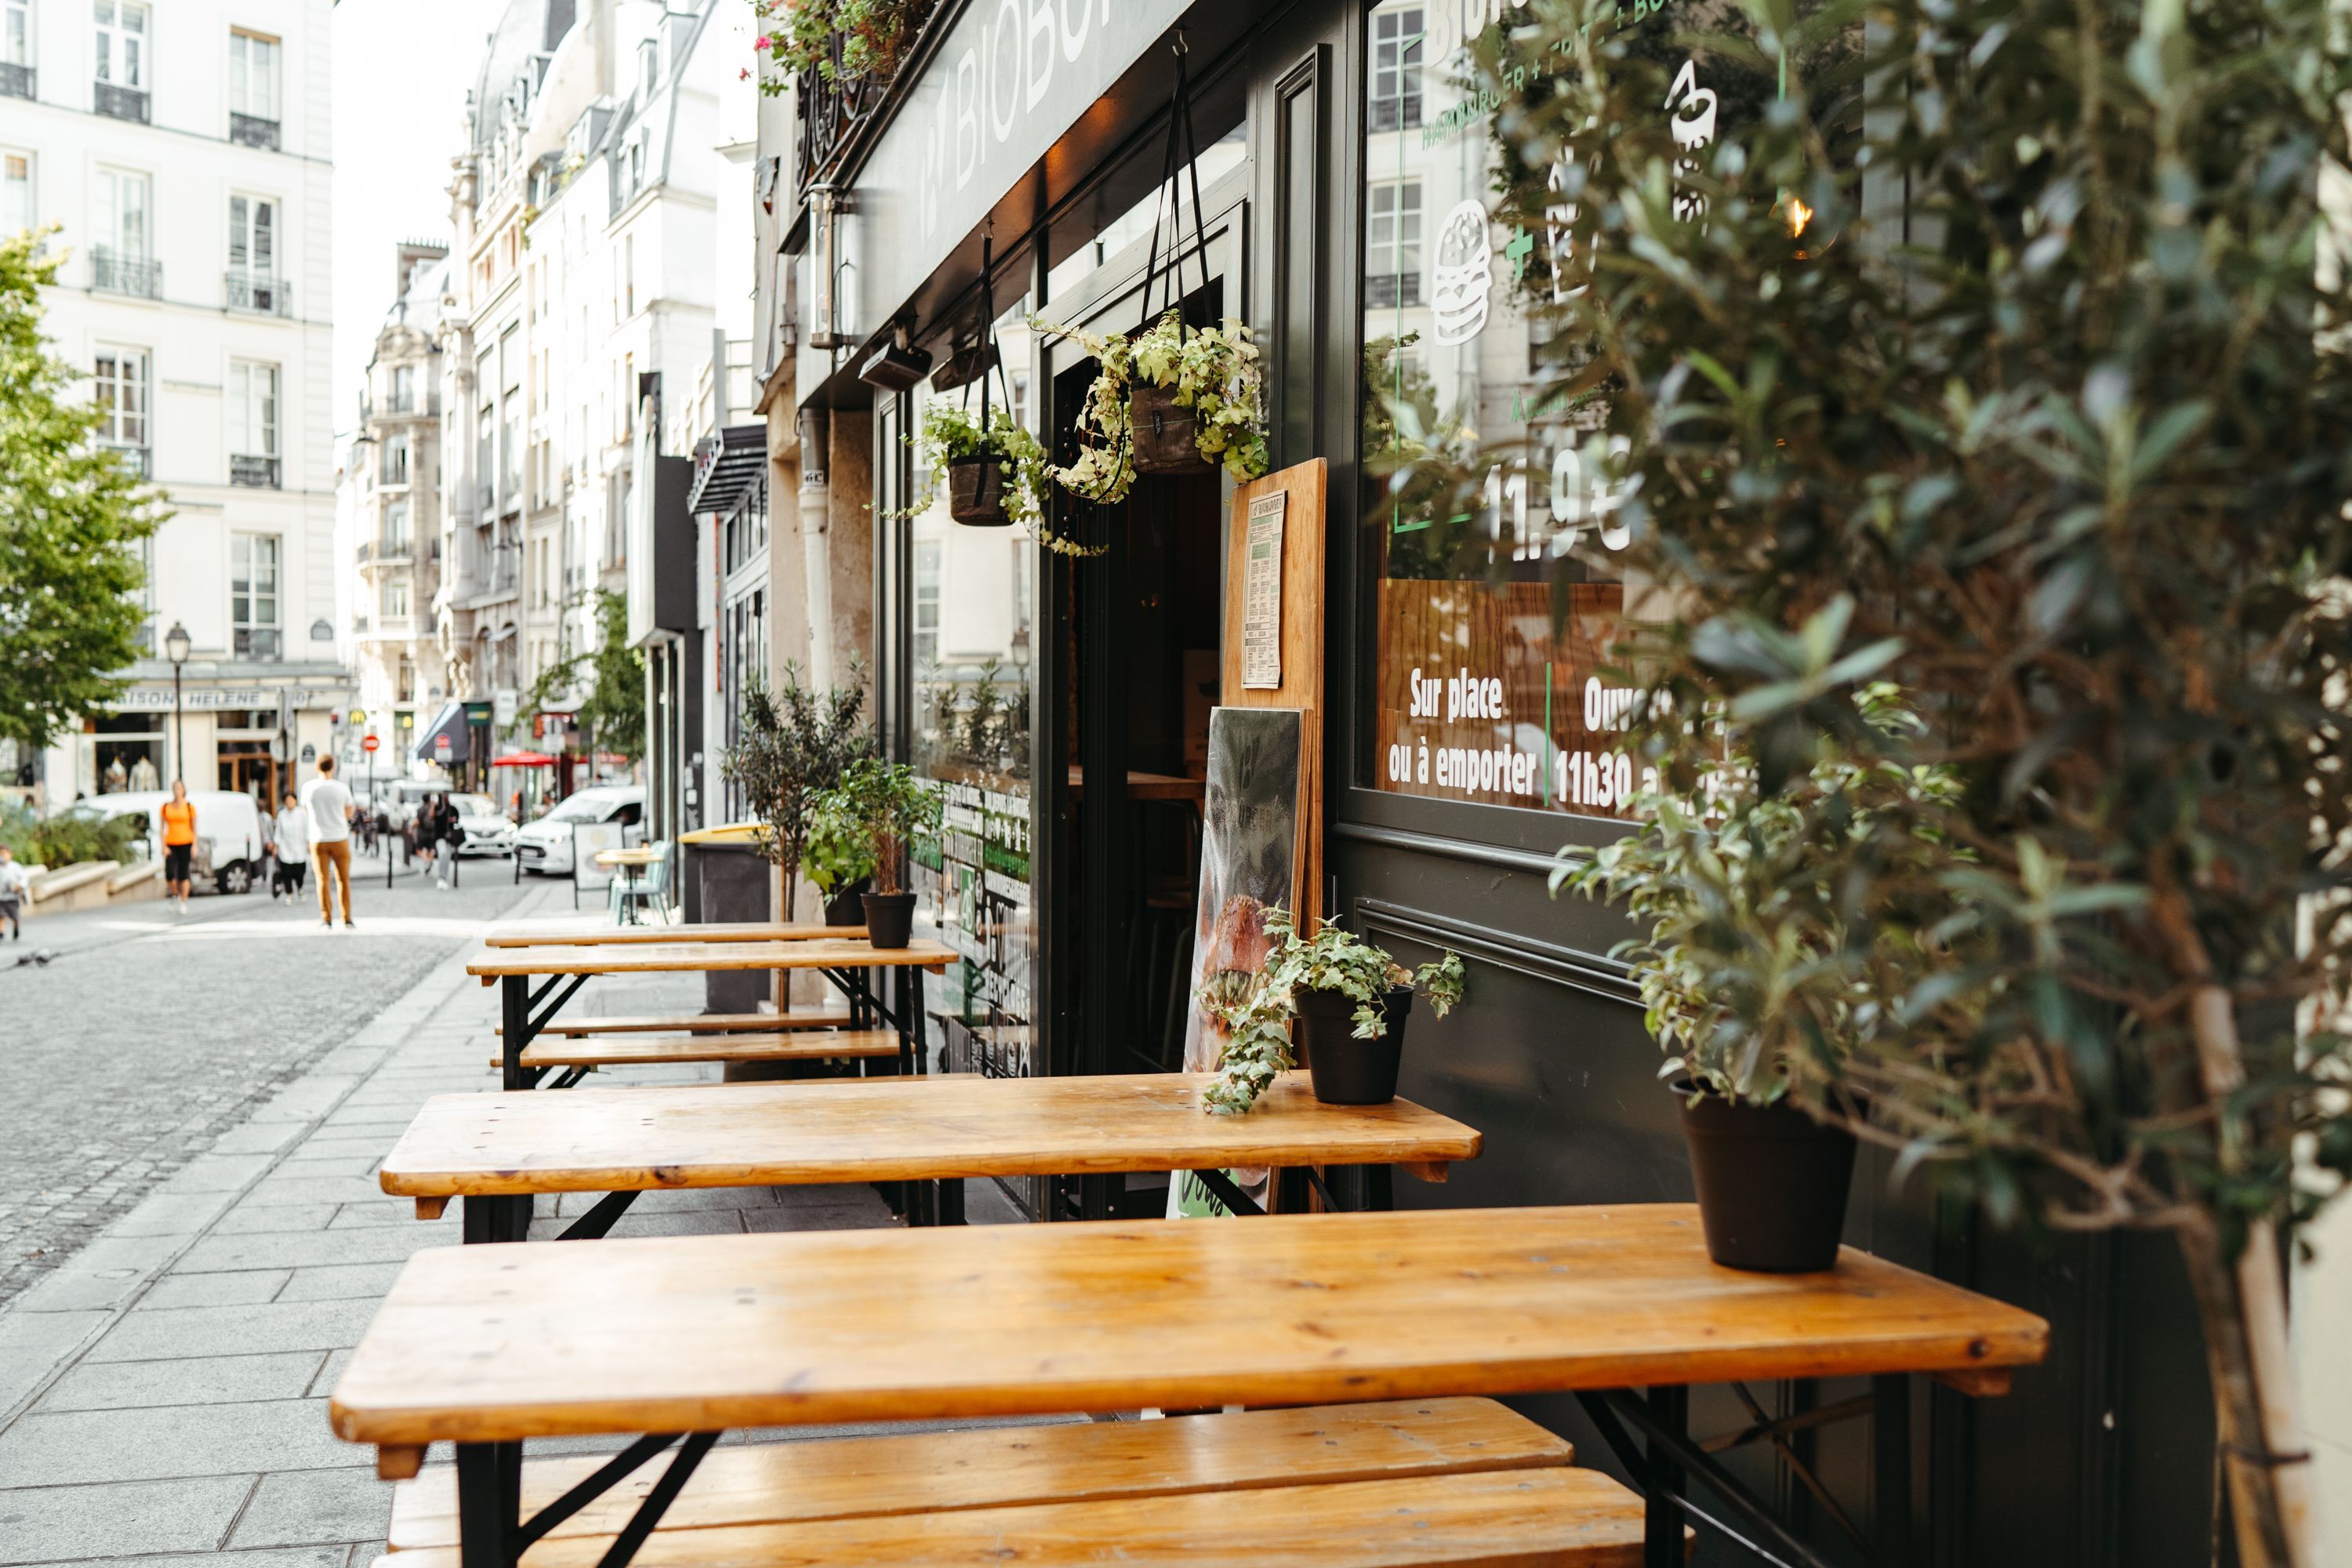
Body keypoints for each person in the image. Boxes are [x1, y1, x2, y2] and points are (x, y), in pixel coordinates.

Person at [300, 755, 356, 927]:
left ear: (317, 768)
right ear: (333, 767)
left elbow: (305, 811)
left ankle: (326, 918)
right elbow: (349, 812)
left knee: (322, 880)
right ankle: (346, 918)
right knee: (343, 879)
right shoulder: (342, 788)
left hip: (318, 838)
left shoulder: (308, 788)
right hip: (340, 837)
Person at [159, 779, 196, 913]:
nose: (177, 790)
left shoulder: (189, 807)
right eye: (175, 788)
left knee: (183, 874)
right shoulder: (165, 807)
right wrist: (163, 846)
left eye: (179, 788)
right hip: (171, 844)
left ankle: (183, 902)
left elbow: (194, 828)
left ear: (183, 790)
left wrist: (194, 845)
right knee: (169, 874)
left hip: (186, 842)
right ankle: (175, 895)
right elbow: (162, 828)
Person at [269, 789, 309, 904]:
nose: (290, 802)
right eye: (288, 801)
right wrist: (276, 846)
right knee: (286, 873)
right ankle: (289, 894)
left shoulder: (302, 813)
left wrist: (308, 842)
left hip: (300, 847)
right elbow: (278, 832)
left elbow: (307, 829)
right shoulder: (282, 814)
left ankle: (300, 888)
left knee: (299, 872)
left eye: (292, 800)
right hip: (285, 848)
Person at [0, 844, 28, 941]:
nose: (1, 856)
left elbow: (24, 878)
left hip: (12, 897)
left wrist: (19, 885)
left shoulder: (15, 867)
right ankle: (1, 932)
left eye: (3, 854)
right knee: (1, 915)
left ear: (10, 855)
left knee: (14, 915)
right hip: (1, 897)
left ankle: (16, 927)